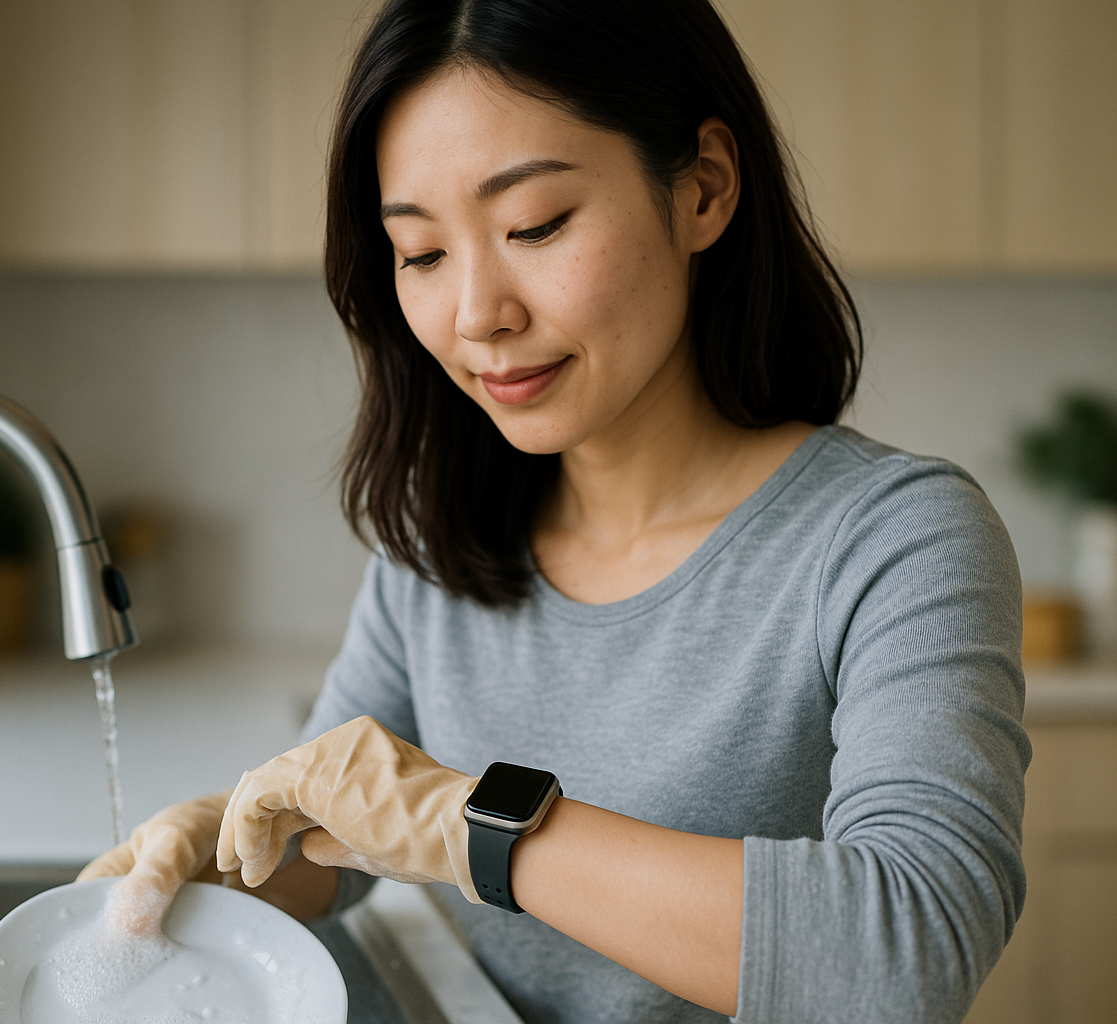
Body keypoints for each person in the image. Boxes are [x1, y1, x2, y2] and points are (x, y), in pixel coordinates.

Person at [81, 1, 1031, 1021]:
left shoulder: (895, 538)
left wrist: (475, 825)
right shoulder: (437, 544)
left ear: (705, 188)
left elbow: (910, 954)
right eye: (422, 253)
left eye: (534, 225)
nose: (477, 314)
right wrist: (216, 855)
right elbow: (336, 839)